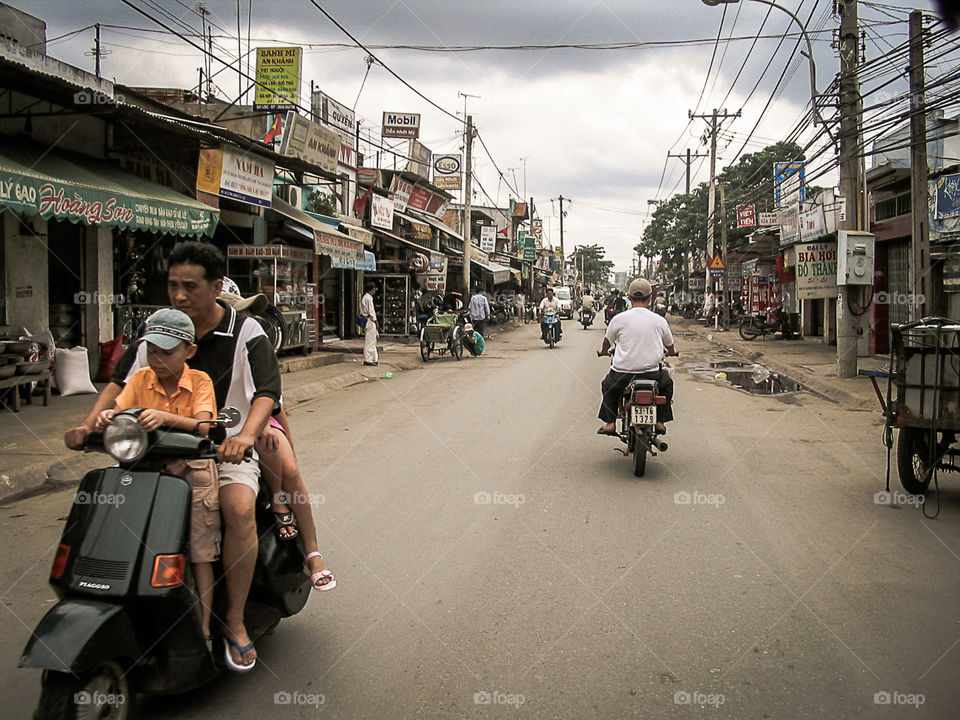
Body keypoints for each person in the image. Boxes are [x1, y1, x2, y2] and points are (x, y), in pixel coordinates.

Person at [66, 241, 282, 673]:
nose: (179, 295)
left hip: (221, 450)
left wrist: (245, 437)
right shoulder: (158, 332)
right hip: (151, 452)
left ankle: (235, 622)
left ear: (216, 286)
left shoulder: (246, 332)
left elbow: (266, 393)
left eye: (190, 286)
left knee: (238, 509)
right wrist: (90, 426)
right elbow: (117, 382)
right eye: (172, 285)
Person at [92, 308, 219, 648]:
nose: (158, 359)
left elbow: (204, 427)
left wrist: (164, 417)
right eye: (152, 351)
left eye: (167, 352)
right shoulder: (139, 380)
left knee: (201, 551)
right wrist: (107, 416)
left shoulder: (200, 381)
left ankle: (205, 628)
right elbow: (119, 409)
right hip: (147, 473)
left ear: (189, 351)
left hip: (192, 471)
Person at [219, 291, 335, 591]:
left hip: (262, 426)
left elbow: (276, 408)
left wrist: (288, 445)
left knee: (290, 471)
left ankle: (312, 551)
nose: (245, 320)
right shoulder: (193, 352)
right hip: (215, 431)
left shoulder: (255, 348)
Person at [597, 278, 677, 436]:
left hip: (621, 375)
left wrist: (603, 351)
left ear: (629, 297)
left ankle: (610, 423)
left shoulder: (618, 319)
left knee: (608, 386)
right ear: (650, 298)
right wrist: (672, 352)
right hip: (652, 375)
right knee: (667, 385)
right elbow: (670, 346)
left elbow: (607, 342)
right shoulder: (659, 320)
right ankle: (660, 421)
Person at [360, 281, 379, 366]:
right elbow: (372, 312)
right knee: (370, 341)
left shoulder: (366, 297)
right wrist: (376, 321)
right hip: (370, 321)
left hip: (368, 321)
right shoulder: (368, 298)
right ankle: (369, 359)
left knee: (372, 340)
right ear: (371, 289)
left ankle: (373, 359)